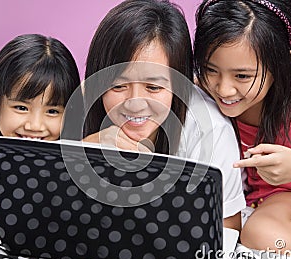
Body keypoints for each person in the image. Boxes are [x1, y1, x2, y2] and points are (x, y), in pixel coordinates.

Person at [80, 0, 246, 230]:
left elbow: (227, 226)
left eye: (154, 88)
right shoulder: (84, 105)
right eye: (118, 86)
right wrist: (84, 149)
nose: (135, 104)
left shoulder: (210, 131)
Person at [194, 0, 291, 256]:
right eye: (210, 70)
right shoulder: (202, 92)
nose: (224, 89)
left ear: (282, 62)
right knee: (261, 234)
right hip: (263, 203)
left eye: (242, 76)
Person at [0, 34, 81, 228]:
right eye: (21, 108)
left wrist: (2, 220)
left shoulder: (73, 142)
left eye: (52, 111)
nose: (35, 125)